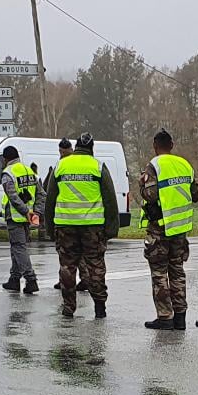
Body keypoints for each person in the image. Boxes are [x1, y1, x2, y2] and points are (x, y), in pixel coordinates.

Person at [43, 132, 118, 319]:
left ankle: (68, 308)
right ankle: (100, 306)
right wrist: (111, 229)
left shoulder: (61, 166)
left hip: (65, 225)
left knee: (67, 267)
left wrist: (49, 230)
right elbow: (110, 200)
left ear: (75, 147)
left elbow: (50, 200)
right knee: (95, 266)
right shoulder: (98, 166)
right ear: (92, 149)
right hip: (93, 227)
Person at [139, 129, 195, 329]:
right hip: (180, 229)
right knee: (177, 271)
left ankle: (165, 316)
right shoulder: (185, 165)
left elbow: (151, 195)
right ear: (171, 145)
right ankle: (180, 317)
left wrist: (141, 185)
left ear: (155, 146)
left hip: (160, 228)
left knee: (159, 273)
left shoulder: (153, 166)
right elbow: (194, 194)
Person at [0, 145, 40, 295]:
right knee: (16, 247)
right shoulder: (29, 171)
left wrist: (25, 212)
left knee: (19, 247)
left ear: (5, 159)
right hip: (27, 217)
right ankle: (14, 279)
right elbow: (41, 194)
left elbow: (13, 197)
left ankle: (31, 280)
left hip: (15, 216)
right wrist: (35, 212)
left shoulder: (7, 174)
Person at [49, 137, 75, 291]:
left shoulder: (60, 166)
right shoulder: (81, 163)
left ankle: (64, 281)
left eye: (62, 151)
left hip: (65, 219)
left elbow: (51, 194)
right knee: (81, 254)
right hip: (85, 218)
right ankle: (83, 279)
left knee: (65, 256)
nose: (61, 154)